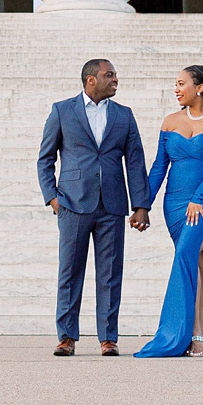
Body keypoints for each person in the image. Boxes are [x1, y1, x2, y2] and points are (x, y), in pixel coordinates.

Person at [36, 58, 150, 356]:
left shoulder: (124, 115)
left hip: (112, 205)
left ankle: (108, 337)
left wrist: (140, 204)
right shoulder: (62, 111)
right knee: (70, 271)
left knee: (110, 273)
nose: (115, 79)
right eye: (109, 75)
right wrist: (52, 197)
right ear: (90, 80)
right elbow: (45, 158)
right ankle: (66, 336)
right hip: (72, 203)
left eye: (115, 75)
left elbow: (135, 160)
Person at [135, 65, 203, 357]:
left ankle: (186, 335)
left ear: (200, 87)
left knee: (186, 255)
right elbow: (159, 167)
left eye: (181, 83)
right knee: (198, 263)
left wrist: (200, 196)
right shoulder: (170, 122)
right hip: (175, 203)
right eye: (175, 84)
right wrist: (144, 205)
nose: (176, 89)